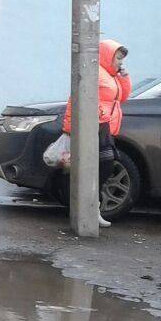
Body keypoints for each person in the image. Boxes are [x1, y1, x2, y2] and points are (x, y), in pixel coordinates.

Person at [62, 38, 132, 227]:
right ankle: (88, 208)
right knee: (102, 164)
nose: (120, 62)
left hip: (104, 127)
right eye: (118, 58)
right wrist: (69, 128)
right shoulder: (96, 74)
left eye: (121, 59)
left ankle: (92, 208)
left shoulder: (111, 76)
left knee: (105, 165)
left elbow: (123, 97)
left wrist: (124, 77)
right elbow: (75, 98)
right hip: (95, 125)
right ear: (108, 56)